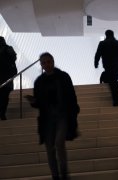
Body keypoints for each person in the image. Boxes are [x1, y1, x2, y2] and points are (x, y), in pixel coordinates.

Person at [25, 52, 80, 180]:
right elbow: (39, 103)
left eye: (48, 62)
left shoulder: (63, 76)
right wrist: (33, 102)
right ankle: (55, 176)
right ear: (41, 65)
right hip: (47, 119)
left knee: (59, 142)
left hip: (62, 115)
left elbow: (72, 96)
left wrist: (74, 112)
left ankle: (64, 172)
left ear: (53, 61)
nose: (46, 65)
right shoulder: (39, 81)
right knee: (49, 149)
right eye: (43, 63)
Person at [95, 29, 118, 106]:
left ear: (106, 35)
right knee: (114, 80)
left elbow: (98, 54)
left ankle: (116, 99)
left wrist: (96, 63)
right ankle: (116, 97)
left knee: (112, 81)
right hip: (117, 66)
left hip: (108, 65)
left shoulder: (102, 43)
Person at [0, 36, 17, 120]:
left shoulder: (7, 48)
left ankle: (2, 113)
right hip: (7, 77)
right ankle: (2, 113)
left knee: (3, 95)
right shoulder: (8, 48)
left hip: (4, 76)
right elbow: (14, 58)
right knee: (4, 96)